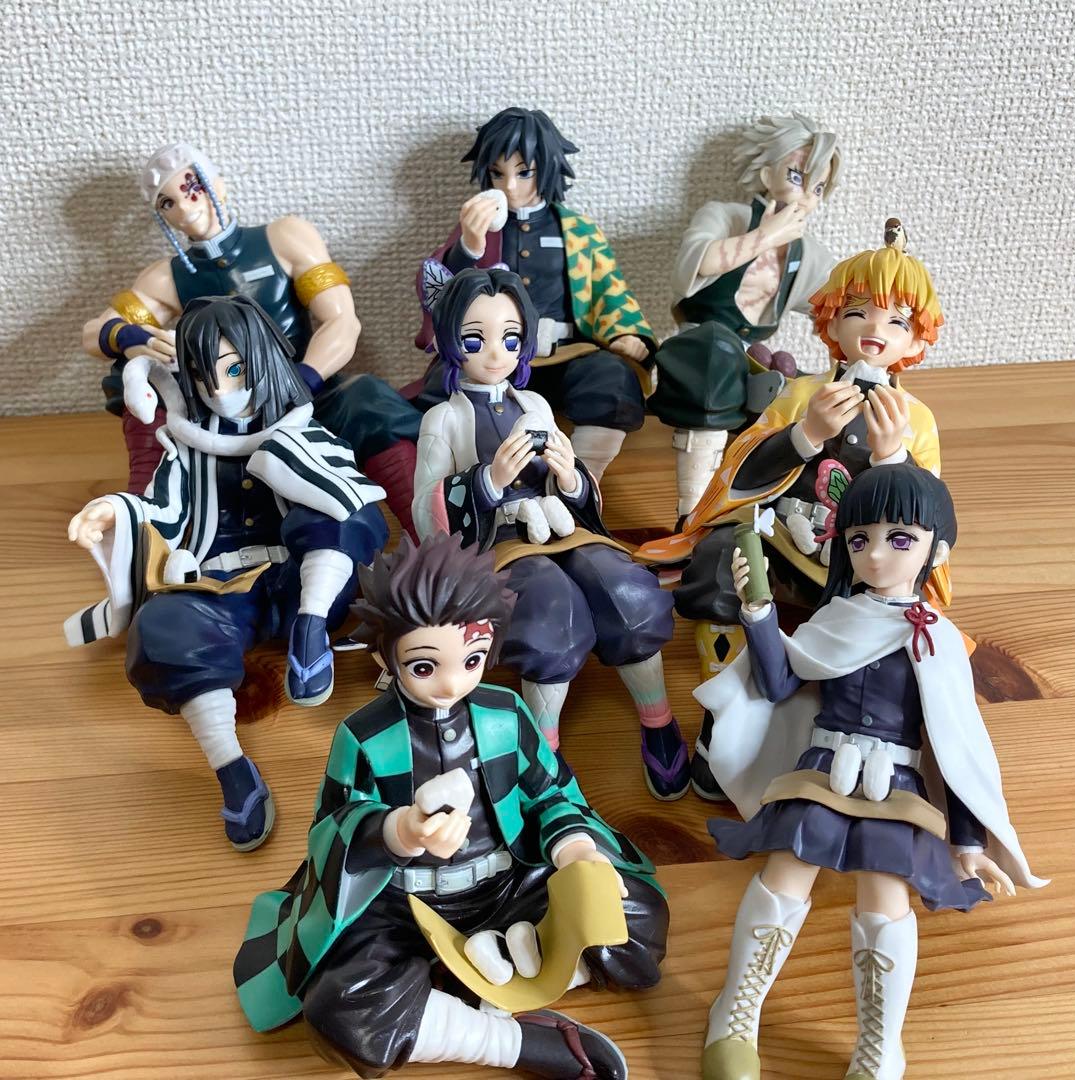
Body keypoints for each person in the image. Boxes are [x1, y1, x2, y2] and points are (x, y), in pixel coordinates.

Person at [233, 534, 669, 1079]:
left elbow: (551, 792)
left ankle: (511, 972)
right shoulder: (363, 735)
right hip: (403, 906)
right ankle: (507, 1040)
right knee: (340, 1012)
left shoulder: (506, 713)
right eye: (424, 666)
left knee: (636, 916)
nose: (452, 682)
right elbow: (332, 828)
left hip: (509, 885)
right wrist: (398, 831)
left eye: (473, 659)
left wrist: (574, 849)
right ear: (385, 655)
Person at [697, 465, 1046, 1080]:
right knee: (783, 876)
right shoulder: (836, 618)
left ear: (937, 550)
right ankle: (736, 1010)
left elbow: (956, 744)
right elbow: (779, 684)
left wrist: (967, 841)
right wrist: (758, 612)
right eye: (860, 539)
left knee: (885, 899)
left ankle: (880, 1043)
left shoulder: (939, 639)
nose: (877, 554)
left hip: (896, 783)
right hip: (821, 770)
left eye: (900, 538)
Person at [66, 295, 389, 850]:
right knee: (162, 631)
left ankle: (310, 633)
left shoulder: (305, 429)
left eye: (234, 368)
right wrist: (115, 510)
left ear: (262, 360)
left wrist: (290, 465)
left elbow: (348, 499)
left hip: (299, 586)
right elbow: (163, 511)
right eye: (202, 374)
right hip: (217, 591)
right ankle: (231, 766)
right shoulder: (183, 448)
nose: (219, 389)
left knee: (347, 513)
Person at [639, 225, 945, 800]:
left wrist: (893, 457)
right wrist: (806, 434)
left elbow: (933, 522)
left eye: (897, 321)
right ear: (830, 321)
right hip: (782, 545)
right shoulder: (800, 395)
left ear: (915, 340)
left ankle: (852, 735)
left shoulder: (918, 421)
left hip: (864, 569)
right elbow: (739, 472)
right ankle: (721, 715)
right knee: (720, 563)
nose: (876, 330)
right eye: (858, 312)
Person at [412, 266, 688, 799]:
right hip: (498, 543)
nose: (496, 354)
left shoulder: (534, 405)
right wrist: (488, 481)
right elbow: (426, 512)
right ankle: (543, 749)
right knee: (550, 610)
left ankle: (657, 717)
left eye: (511, 339)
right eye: (476, 340)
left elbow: (577, 490)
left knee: (626, 593)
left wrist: (569, 474)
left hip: (562, 526)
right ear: (450, 342)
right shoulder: (442, 420)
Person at [83, 142, 420, 535]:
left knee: (368, 398)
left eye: (193, 187)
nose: (186, 207)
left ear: (219, 186)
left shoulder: (285, 238)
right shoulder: (166, 277)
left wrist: (302, 382)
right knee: (134, 373)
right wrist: (129, 334)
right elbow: (94, 333)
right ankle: (146, 518)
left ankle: (428, 530)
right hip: (223, 411)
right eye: (168, 202)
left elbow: (342, 322)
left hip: (304, 391)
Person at [410, 107, 656, 483]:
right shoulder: (480, 230)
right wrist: (469, 248)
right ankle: (475, 482)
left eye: (524, 172)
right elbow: (441, 292)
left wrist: (627, 334)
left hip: (566, 355)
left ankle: (581, 480)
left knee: (611, 378)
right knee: (441, 387)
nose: (510, 186)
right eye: (498, 174)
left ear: (548, 168)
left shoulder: (578, 232)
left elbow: (609, 290)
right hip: (494, 357)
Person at [650, 113, 841, 523]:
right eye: (796, 176)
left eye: (818, 187)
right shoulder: (724, 216)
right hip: (696, 349)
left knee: (801, 392)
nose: (806, 196)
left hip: (751, 359)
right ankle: (692, 512)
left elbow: (837, 306)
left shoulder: (806, 254)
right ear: (767, 171)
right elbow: (691, 267)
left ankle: (780, 511)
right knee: (715, 355)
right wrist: (764, 237)